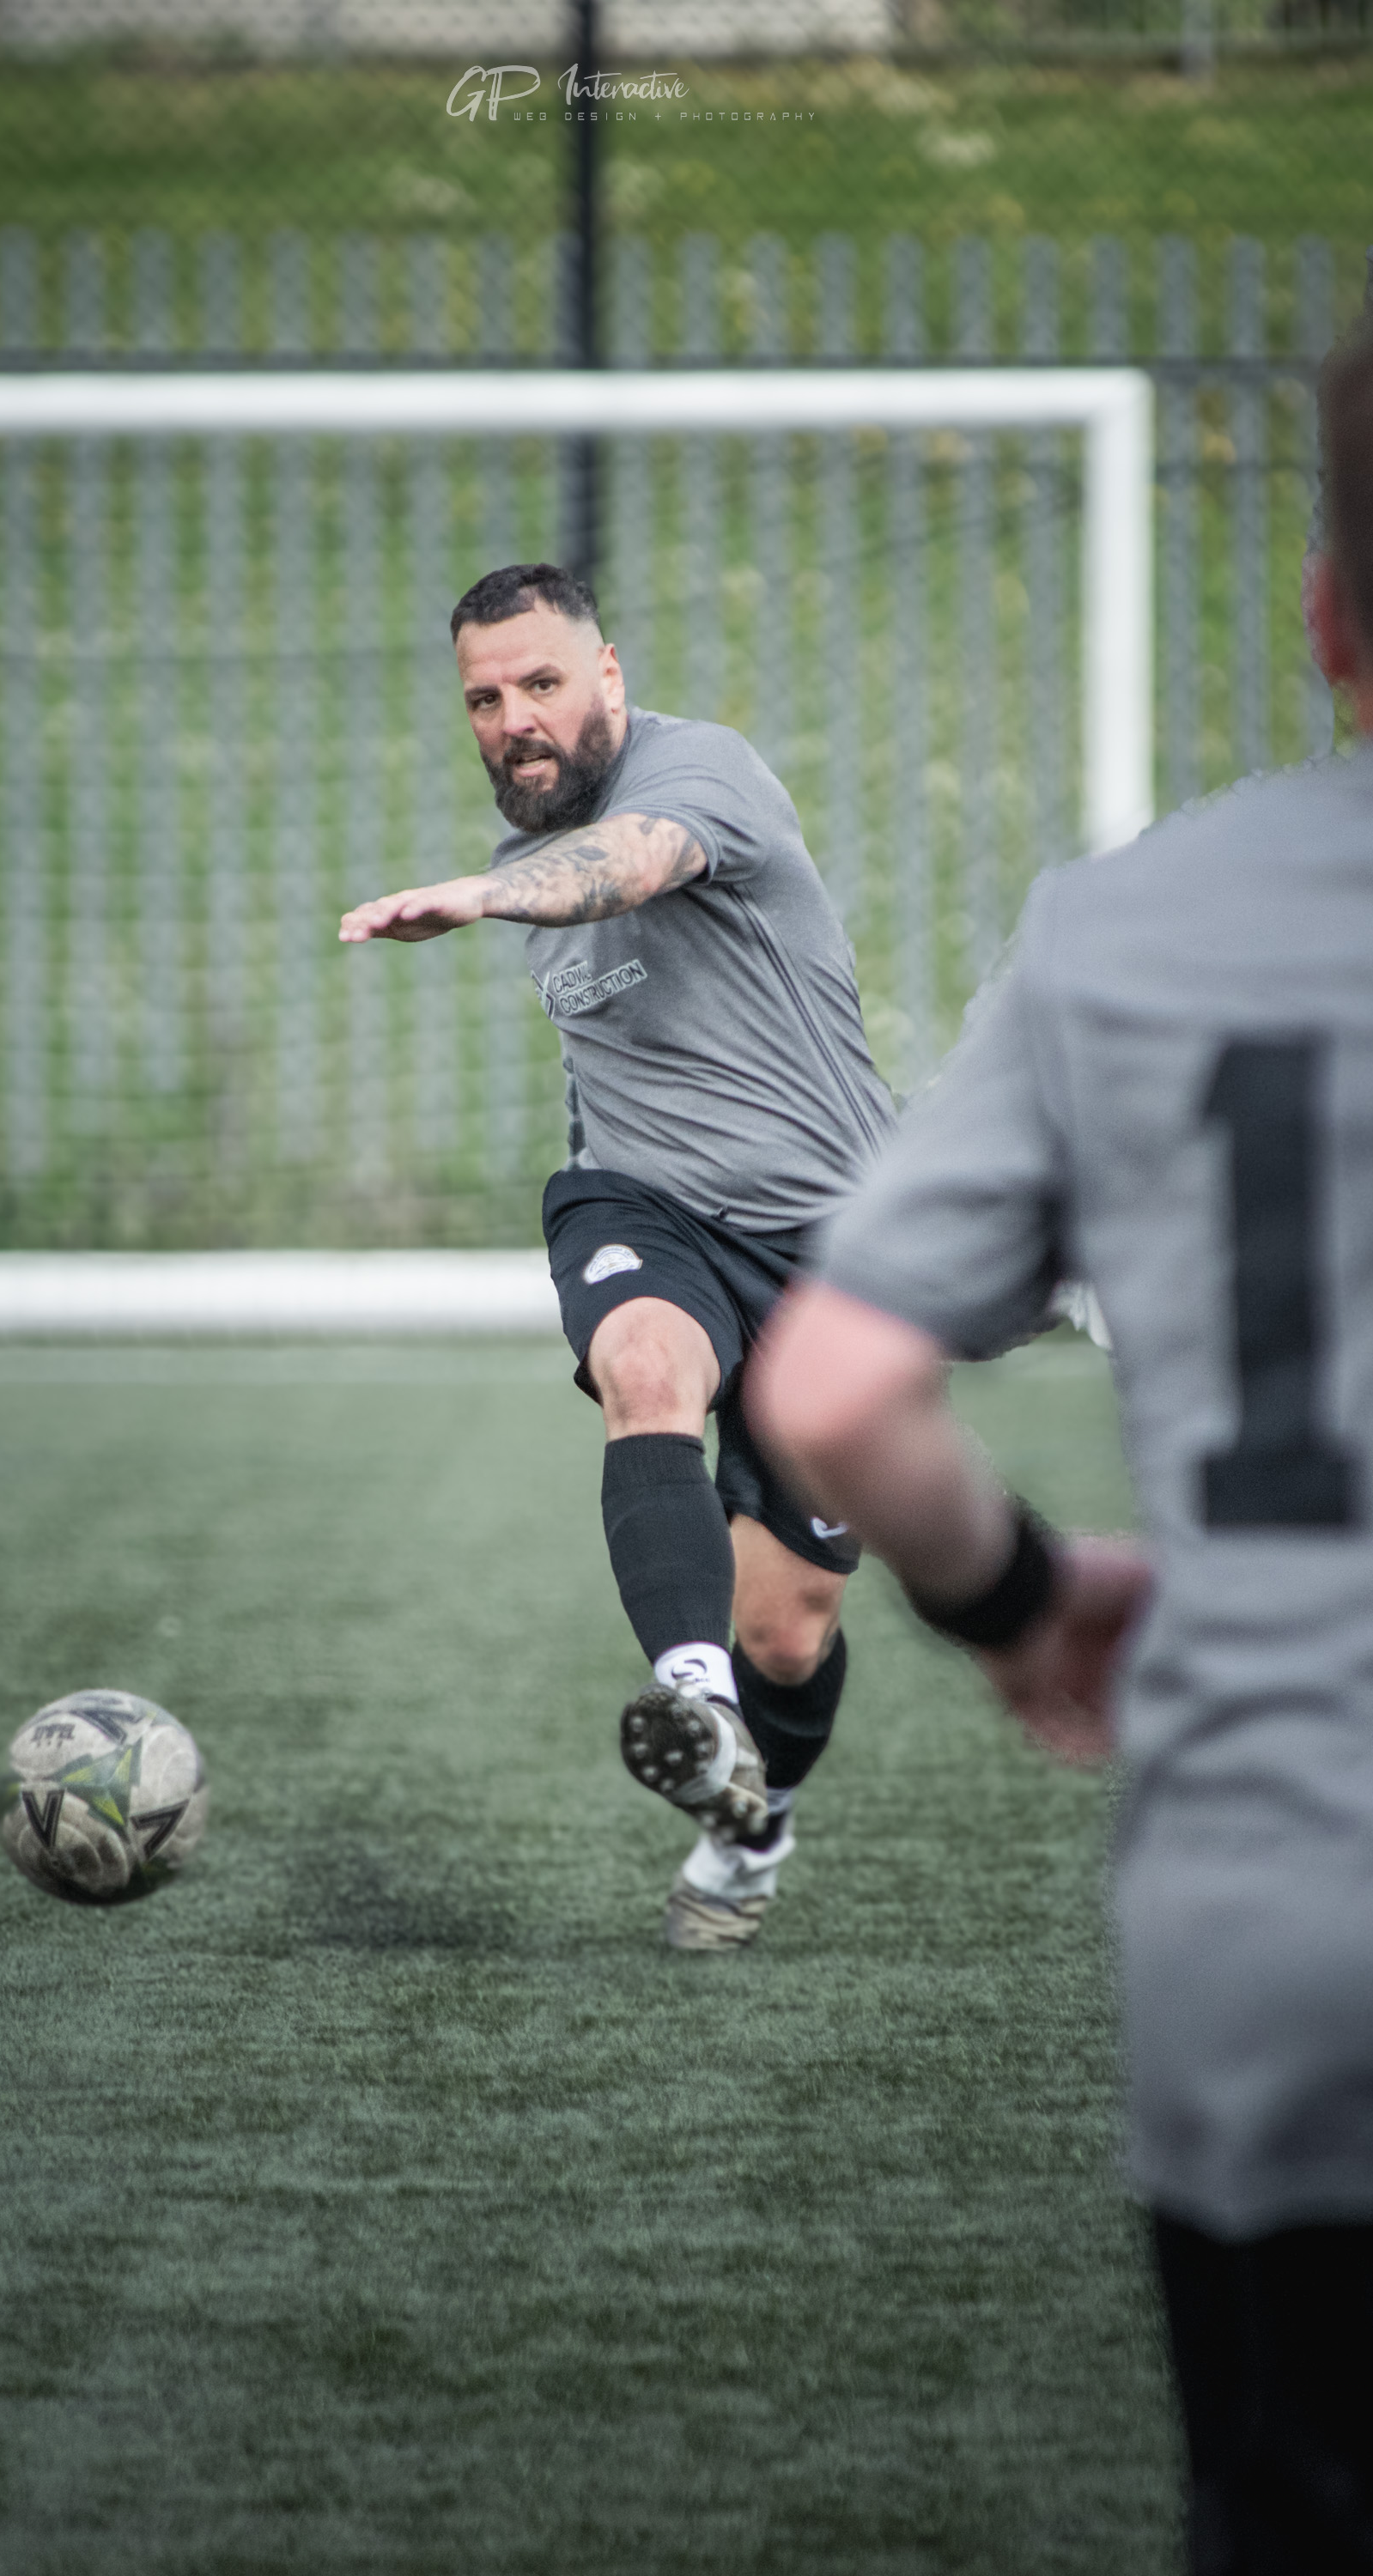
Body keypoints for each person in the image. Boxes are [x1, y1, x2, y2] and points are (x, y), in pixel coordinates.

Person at [748, 252, 1373, 2572]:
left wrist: (1030, 1598)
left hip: (1289, 1952)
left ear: (1324, 614)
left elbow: (841, 1384)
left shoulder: (1126, 932)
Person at [338, 562, 896, 1949]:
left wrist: (489, 894)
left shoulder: (702, 774)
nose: (514, 719)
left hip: (831, 1240)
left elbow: (633, 863)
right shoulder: (530, 865)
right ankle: (692, 1698)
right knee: (647, 1363)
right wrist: (506, 888)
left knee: (793, 1629)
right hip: (639, 1205)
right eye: (484, 697)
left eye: (541, 683)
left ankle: (748, 1824)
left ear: (610, 678)